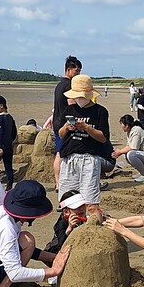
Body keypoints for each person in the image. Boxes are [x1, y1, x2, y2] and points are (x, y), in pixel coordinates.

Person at [58, 74, 110, 208]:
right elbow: (61, 134)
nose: (79, 99)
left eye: (81, 96)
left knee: (90, 201)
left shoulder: (100, 111)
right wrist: (66, 127)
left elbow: (103, 137)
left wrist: (87, 128)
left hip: (89, 158)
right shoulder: (69, 109)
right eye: (76, 96)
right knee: (68, 199)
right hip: (69, 156)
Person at [54, 56, 83, 190]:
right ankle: (60, 183)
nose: (78, 74)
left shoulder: (60, 84)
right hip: (63, 123)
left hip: (57, 121)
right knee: (62, 154)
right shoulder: (68, 85)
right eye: (77, 71)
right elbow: (71, 105)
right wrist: (74, 123)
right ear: (69, 70)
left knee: (60, 152)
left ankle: (59, 182)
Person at [112, 114, 144, 182]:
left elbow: (133, 147)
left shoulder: (136, 130)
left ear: (127, 125)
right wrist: (119, 152)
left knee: (131, 154)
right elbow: (129, 146)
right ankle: (141, 172)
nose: (121, 126)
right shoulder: (130, 131)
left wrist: (120, 152)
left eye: (122, 124)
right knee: (126, 154)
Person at [44, 190, 89, 255]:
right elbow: (61, 244)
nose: (81, 209)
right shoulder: (61, 224)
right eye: (76, 207)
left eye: (82, 205)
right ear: (66, 212)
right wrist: (69, 229)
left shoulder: (85, 219)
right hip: (57, 253)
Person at [0, 95, 18, 190]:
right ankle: (9, 187)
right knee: (8, 166)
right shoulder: (10, 117)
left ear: (1, 106)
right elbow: (14, 132)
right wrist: (9, 142)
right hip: (8, 146)